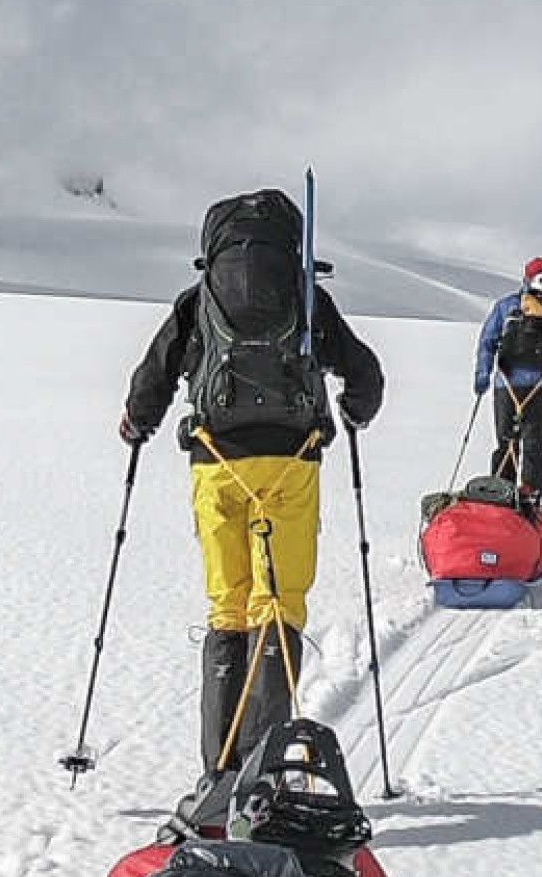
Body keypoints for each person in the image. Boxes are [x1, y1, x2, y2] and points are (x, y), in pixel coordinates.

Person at [119, 189, 386, 829]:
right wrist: (354, 412)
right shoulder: (307, 300)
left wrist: (137, 421)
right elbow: (365, 374)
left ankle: (218, 769)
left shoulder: (200, 299)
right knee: (280, 602)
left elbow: (153, 376)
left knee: (228, 603)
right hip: (293, 462)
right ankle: (262, 770)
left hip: (217, 463)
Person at [473, 258, 542, 513]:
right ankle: (530, 503)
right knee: (535, 447)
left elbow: (487, 342)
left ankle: (500, 501)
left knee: (506, 443)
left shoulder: (507, 306)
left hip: (506, 386)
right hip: (541, 389)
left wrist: (482, 375)